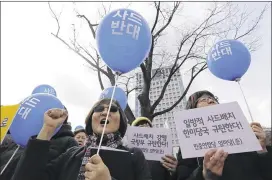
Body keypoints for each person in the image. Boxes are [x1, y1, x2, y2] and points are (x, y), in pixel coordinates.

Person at [12, 99, 151, 180]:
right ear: (91, 119)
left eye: (113, 109)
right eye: (99, 108)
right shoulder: (70, 155)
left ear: (121, 121)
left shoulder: (134, 155)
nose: (105, 112)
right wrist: (48, 129)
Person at [174, 90, 272, 180]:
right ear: (192, 109)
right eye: (203, 99)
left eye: (212, 98)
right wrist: (204, 175)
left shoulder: (246, 134)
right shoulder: (188, 144)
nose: (210, 100)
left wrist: (262, 150)